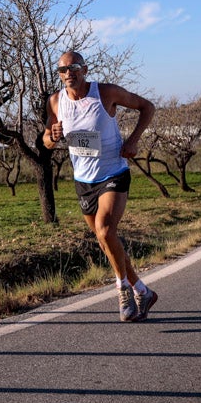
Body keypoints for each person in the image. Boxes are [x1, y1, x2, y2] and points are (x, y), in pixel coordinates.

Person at [43, 51, 157, 322]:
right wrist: (52, 137)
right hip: (84, 181)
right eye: (62, 70)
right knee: (105, 241)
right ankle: (143, 290)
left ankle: (123, 290)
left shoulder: (105, 93)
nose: (68, 73)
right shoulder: (56, 101)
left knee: (106, 230)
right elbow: (47, 139)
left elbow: (147, 107)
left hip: (113, 173)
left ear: (84, 70)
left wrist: (132, 141)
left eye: (74, 67)